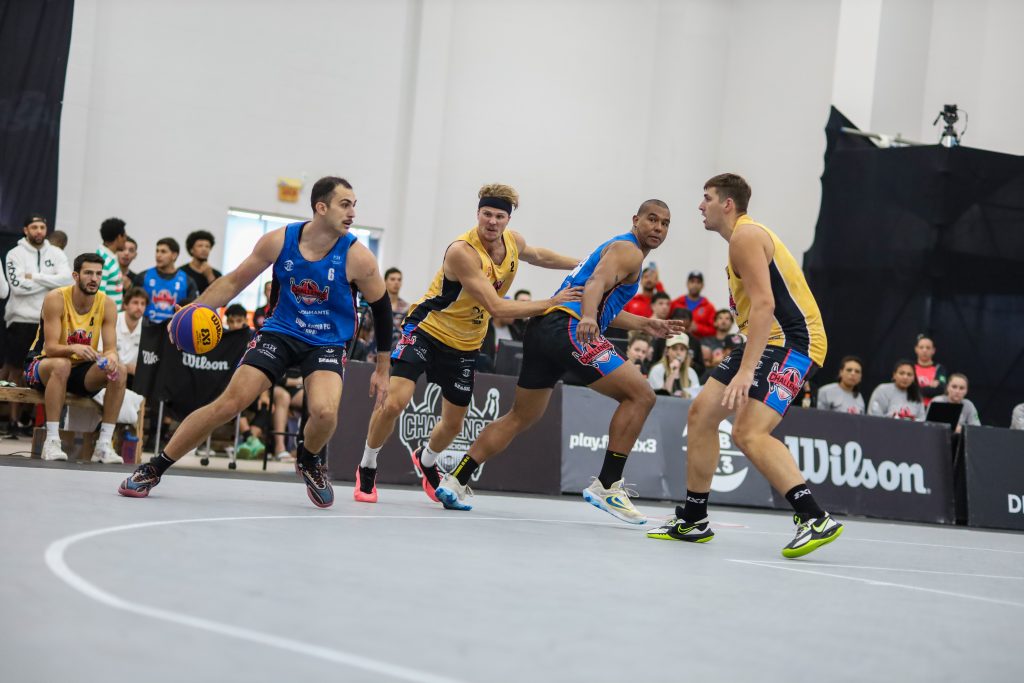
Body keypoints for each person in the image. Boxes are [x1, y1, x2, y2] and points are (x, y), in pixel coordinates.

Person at [119, 176, 393, 507]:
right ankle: (154, 467)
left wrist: (383, 367)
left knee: (324, 412)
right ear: (321, 208)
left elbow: (381, 308)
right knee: (229, 403)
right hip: (280, 332)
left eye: (354, 205)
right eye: (344, 204)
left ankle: (307, 458)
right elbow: (234, 281)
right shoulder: (279, 241)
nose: (352, 213)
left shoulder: (358, 257)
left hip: (327, 341)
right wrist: (193, 309)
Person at [434, 199, 684, 520]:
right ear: (635, 220)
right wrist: (590, 319)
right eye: (652, 220)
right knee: (641, 395)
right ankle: (608, 485)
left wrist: (644, 323)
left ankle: (457, 479)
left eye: (665, 224)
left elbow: (596, 299)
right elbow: (594, 288)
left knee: (521, 415)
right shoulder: (630, 250)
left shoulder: (616, 250)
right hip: (568, 327)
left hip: (544, 329)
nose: (658, 228)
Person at [647, 174, 842, 558]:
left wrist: (747, 370)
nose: (700, 206)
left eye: (706, 198)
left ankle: (814, 517)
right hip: (767, 339)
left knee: (749, 433)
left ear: (728, 204)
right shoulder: (740, 241)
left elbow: (766, 305)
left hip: (792, 341)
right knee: (702, 414)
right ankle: (694, 519)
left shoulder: (745, 237)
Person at [356, 183, 583, 504]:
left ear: (508, 219)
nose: (492, 221)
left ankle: (427, 461)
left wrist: (584, 264)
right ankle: (367, 465)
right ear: (478, 214)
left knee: (453, 423)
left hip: (465, 342)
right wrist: (553, 301)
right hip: (428, 330)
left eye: (499, 216)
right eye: (486, 214)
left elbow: (541, 256)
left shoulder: (513, 243)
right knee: (395, 402)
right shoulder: (462, 252)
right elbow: (498, 307)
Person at [25, 253, 127, 463]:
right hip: (43, 364)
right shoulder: (56, 298)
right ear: (75, 275)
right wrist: (74, 348)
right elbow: (51, 348)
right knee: (61, 365)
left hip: (80, 369)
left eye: (98, 274)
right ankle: (52, 441)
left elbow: (110, 348)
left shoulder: (107, 304)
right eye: (88, 273)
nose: (94, 278)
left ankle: (104, 445)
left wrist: (111, 358)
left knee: (120, 371)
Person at [3, 214, 72, 436]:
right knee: (15, 371)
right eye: (34, 227)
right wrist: (49, 280)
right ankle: (12, 421)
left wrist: (35, 277)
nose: (39, 231)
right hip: (20, 318)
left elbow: (66, 280)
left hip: (47, 320)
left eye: (42, 227)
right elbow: (18, 287)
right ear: (25, 230)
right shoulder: (15, 254)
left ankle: (31, 421)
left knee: (39, 371)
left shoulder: (57, 253)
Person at [134, 238, 198, 323]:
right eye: (157, 251)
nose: (158, 255)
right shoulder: (143, 277)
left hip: (173, 331)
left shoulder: (187, 281)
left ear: (174, 255)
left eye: (163, 251)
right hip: (146, 330)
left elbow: (193, 311)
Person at [648, 333, 701, 398]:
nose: (678, 353)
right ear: (667, 351)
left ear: (686, 353)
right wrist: (673, 374)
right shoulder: (657, 370)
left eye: (682, 349)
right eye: (674, 348)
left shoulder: (691, 373)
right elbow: (661, 398)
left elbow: (695, 399)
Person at [669, 270, 716, 338]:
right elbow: (666, 321)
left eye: (698, 282)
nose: (695, 285)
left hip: (699, 344)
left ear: (702, 285)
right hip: (675, 341)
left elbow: (714, 331)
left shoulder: (709, 307)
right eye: (692, 281)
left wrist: (698, 328)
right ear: (687, 284)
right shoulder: (676, 303)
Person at [115, 287, 147, 383]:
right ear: (125, 304)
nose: (139, 307)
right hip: (110, 373)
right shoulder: (113, 321)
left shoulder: (148, 328)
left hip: (134, 378)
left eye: (143, 304)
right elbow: (101, 353)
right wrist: (124, 367)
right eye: (135, 302)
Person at [179, 230, 223, 296]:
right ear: (191, 249)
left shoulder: (216, 274)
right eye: (200, 246)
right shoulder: (182, 272)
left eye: (207, 246)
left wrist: (210, 277)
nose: (204, 249)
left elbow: (223, 300)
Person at [96, 217, 127, 310]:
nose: (126, 240)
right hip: (106, 320)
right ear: (119, 237)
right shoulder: (102, 260)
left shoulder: (110, 257)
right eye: (125, 237)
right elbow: (99, 296)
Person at [913, 335, 947, 407]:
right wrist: (929, 386)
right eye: (921, 347)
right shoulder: (910, 367)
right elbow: (909, 390)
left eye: (928, 348)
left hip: (933, 408)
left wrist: (918, 388)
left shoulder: (939, 368)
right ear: (916, 349)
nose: (924, 350)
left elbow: (941, 389)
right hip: (914, 406)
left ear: (933, 350)